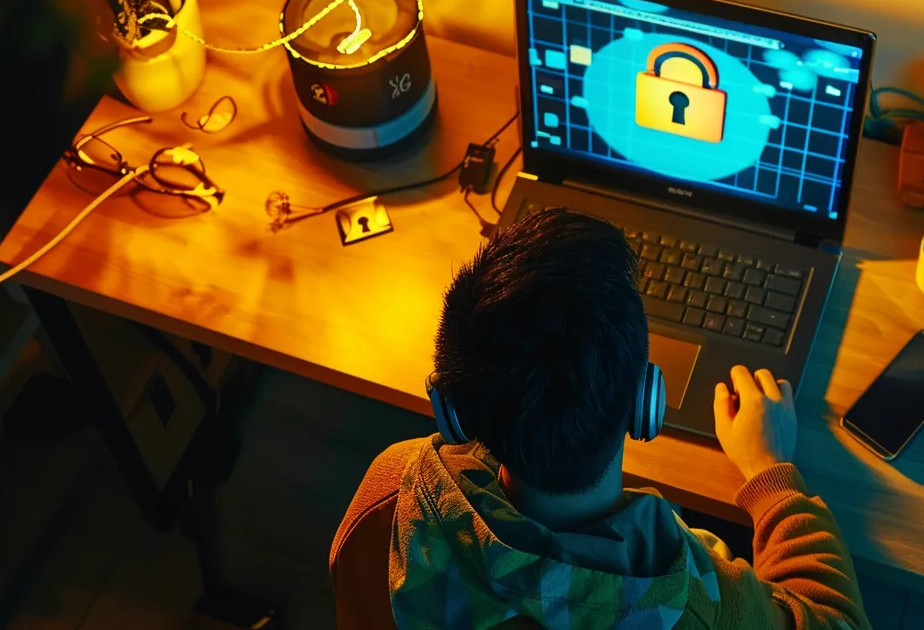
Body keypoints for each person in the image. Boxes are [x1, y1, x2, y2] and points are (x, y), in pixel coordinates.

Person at [330, 208, 870, 630]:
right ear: (646, 402)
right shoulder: (696, 603)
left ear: (450, 409)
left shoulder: (393, 495)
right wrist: (770, 477)